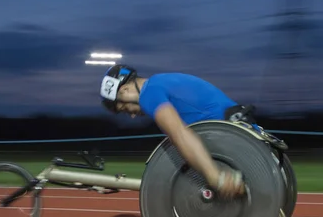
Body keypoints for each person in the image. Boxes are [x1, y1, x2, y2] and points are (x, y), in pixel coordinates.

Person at [99, 64, 256, 199]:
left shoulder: (149, 94)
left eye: (126, 108)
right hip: (245, 131)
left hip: (237, 142)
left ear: (125, 90)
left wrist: (215, 178)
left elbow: (179, 134)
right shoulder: (160, 81)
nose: (132, 115)